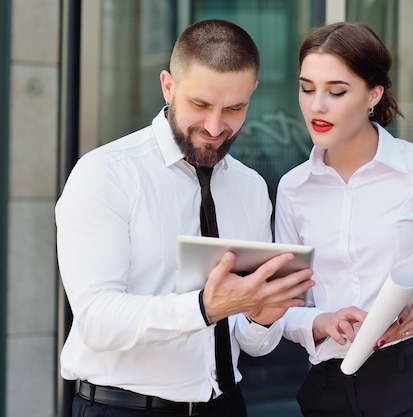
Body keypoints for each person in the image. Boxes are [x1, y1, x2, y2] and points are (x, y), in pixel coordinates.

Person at [56, 19, 314, 417]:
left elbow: (252, 343)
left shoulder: (251, 187)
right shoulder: (105, 174)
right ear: (168, 85)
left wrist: (262, 317)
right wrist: (203, 307)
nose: (215, 127)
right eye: (200, 105)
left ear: (252, 94)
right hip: (125, 409)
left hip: (225, 406)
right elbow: (96, 320)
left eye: (234, 108)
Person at [274, 22, 413, 417]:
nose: (317, 105)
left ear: (374, 94)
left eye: (336, 92)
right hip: (329, 387)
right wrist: (321, 320)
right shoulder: (292, 188)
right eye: (306, 88)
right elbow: (283, 310)